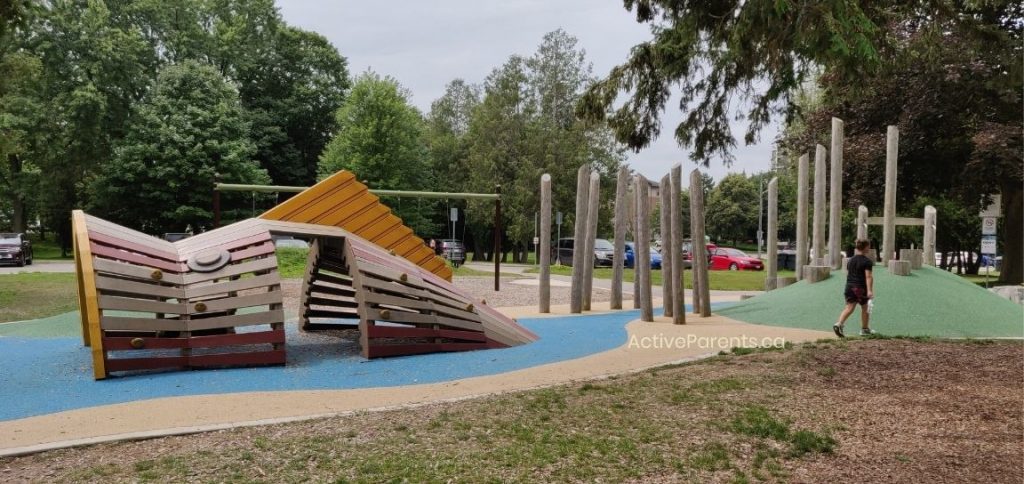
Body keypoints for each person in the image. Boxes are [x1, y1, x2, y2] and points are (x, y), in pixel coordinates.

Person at [833, 239, 876, 338]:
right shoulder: (867, 261)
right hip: (859, 288)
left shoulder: (851, 260)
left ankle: (839, 324)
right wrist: (869, 290)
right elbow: (868, 277)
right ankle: (864, 329)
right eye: (868, 246)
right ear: (865, 247)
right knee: (865, 308)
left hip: (849, 287)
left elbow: (849, 274)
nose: (869, 248)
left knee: (849, 308)